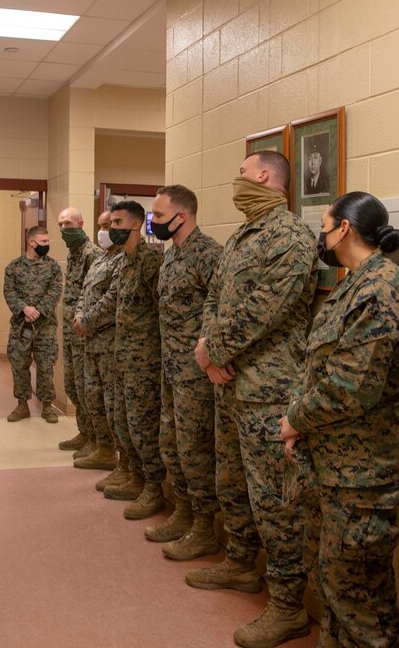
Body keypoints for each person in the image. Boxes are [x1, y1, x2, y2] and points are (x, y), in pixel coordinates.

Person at [279, 191, 399, 648]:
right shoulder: (355, 284)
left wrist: (295, 419)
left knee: (360, 600)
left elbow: (350, 388)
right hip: (337, 466)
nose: (321, 235)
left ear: (344, 229)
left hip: (362, 474)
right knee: (335, 589)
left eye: (324, 225)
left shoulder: (380, 289)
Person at [194, 151, 319, 648]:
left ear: (264, 177)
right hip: (229, 385)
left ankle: (288, 606)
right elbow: (214, 300)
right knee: (232, 482)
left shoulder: (291, 237)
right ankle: (241, 564)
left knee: (274, 501)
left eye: (241, 173)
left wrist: (213, 351)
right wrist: (208, 351)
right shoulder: (242, 236)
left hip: (268, 392)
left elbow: (265, 309)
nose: (237, 181)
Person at [146, 185, 224, 560]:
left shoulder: (209, 254)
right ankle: (183, 512)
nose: (153, 222)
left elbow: (220, 310)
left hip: (195, 374)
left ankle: (205, 528)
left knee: (195, 449)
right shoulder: (171, 255)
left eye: (159, 216)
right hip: (169, 366)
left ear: (183, 216)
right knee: (172, 445)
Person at [94, 200, 166, 520]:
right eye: (110, 224)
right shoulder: (124, 261)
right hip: (122, 355)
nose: (111, 229)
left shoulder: (151, 260)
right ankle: (135, 475)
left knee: (142, 425)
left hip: (145, 360)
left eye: (117, 223)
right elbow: (117, 303)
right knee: (123, 423)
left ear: (135, 225)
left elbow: (161, 310)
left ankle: (153, 485)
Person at [73, 211, 124, 474]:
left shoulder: (122, 261)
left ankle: (117, 455)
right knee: (93, 397)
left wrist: (86, 322)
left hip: (109, 344)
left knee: (111, 402)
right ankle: (102, 448)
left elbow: (111, 300)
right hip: (90, 344)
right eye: (102, 225)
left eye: (110, 225)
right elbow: (84, 292)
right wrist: (79, 314)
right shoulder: (99, 260)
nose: (104, 230)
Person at [3, 226, 63, 423]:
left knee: (46, 366)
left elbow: (55, 292)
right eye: (43, 242)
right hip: (21, 327)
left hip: (45, 326)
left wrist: (37, 311)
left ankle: (47, 407)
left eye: (48, 241)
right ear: (31, 242)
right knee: (19, 366)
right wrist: (24, 309)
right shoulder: (13, 267)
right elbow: (9, 292)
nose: (47, 245)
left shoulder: (53, 267)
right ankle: (22, 406)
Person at [57, 207, 100, 452]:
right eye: (61, 224)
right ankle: (84, 432)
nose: (64, 229)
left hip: (85, 332)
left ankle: (97, 440)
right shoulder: (73, 253)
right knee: (72, 385)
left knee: (87, 388)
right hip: (70, 331)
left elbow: (94, 294)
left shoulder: (91, 253)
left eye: (68, 223)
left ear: (81, 223)